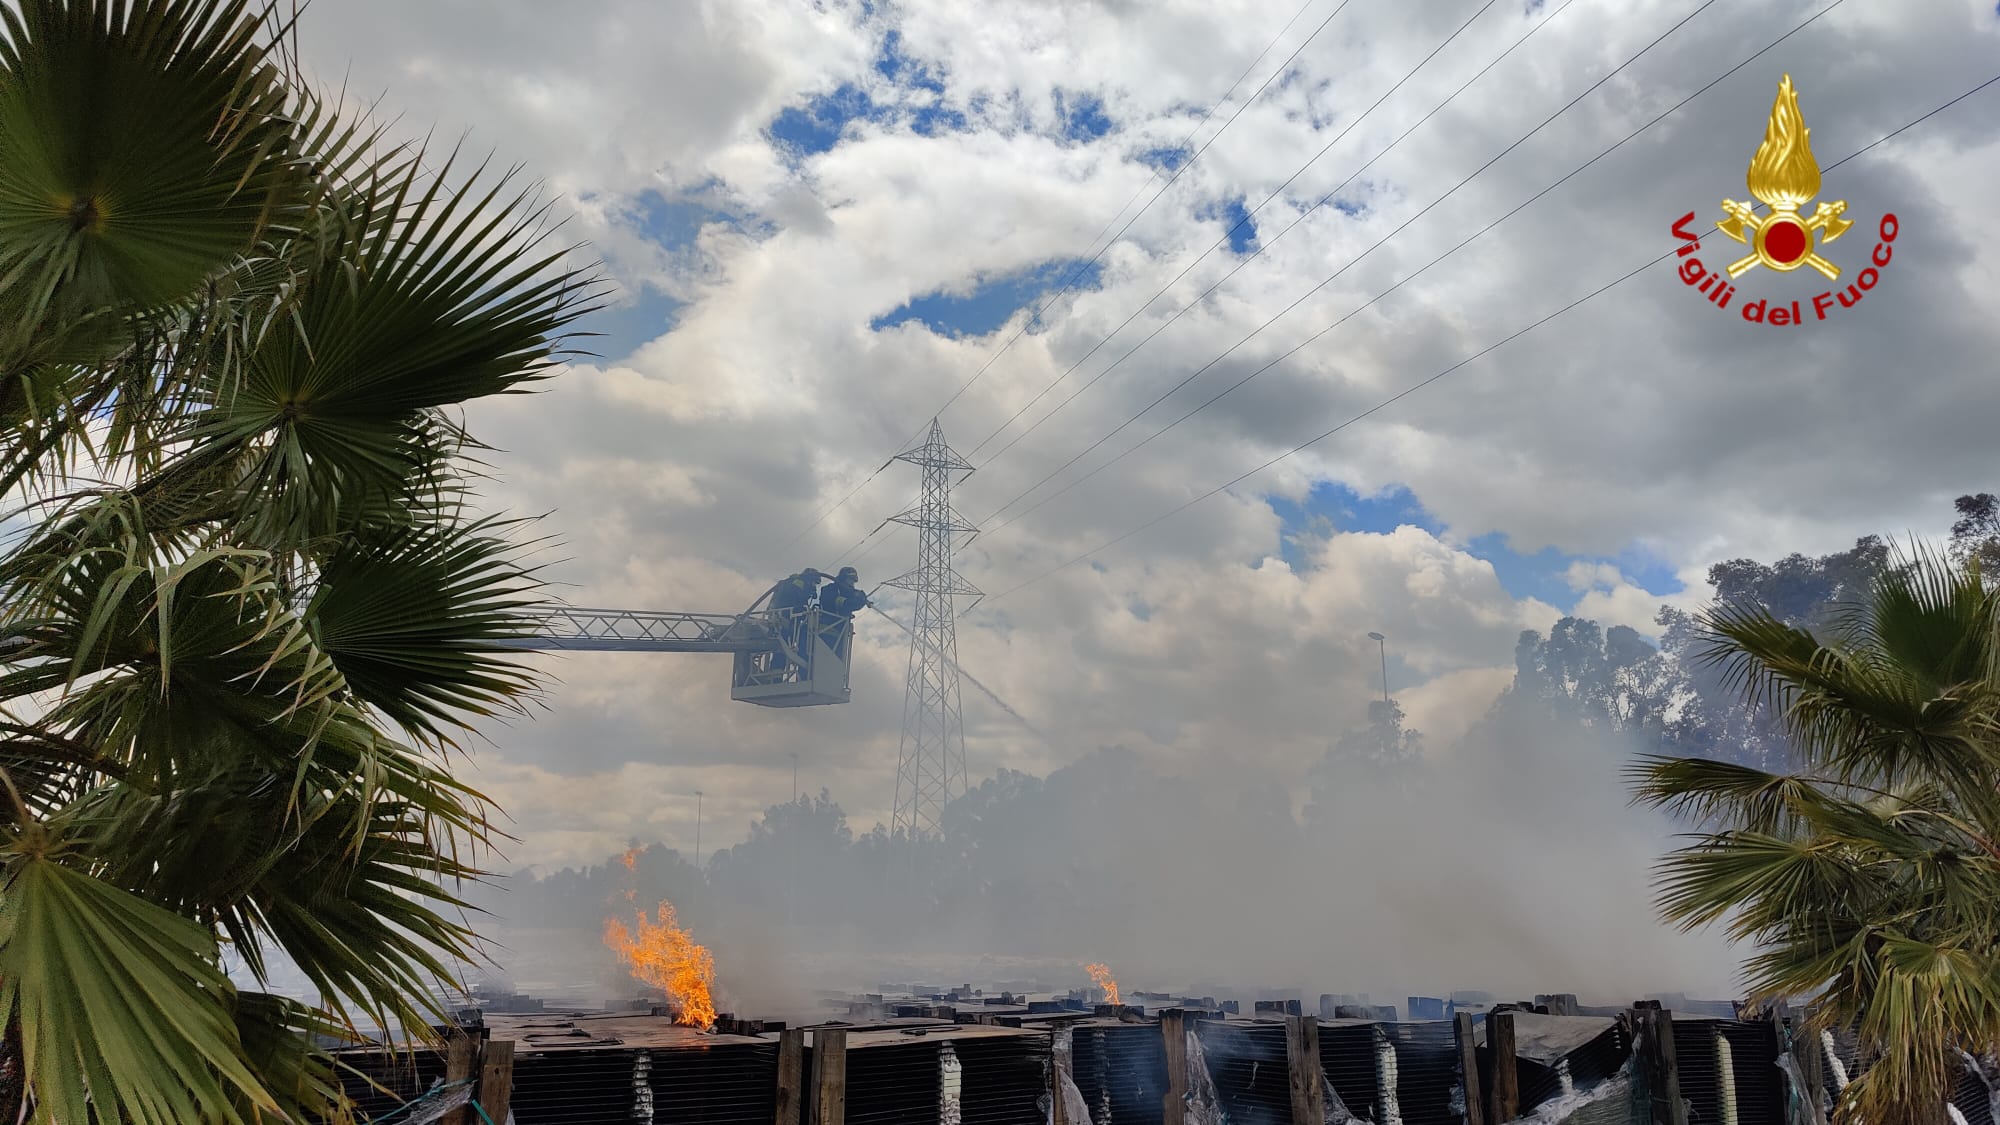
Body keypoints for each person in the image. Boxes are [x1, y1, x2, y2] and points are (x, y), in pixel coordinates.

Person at [767, 569, 822, 675]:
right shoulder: (799, 582)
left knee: (782, 648)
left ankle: (776, 673)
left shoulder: (790, 582)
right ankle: (778, 673)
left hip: (781, 618)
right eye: (814, 582)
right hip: (785, 619)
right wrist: (809, 592)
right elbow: (797, 597)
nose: (814, 586)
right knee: (784, 647)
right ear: (809, 579)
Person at [817, 567, 869, 660]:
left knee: (834, 667)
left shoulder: (847, 593)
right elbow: (843, 603)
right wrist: (855, 599)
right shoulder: (831, 589)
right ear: (842, 578)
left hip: (840, 635)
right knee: (824, 663)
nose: (852, 584)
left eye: (853, 581)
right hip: (826, 632)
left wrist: (860, 598)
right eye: (850, 580)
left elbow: (853, 604)